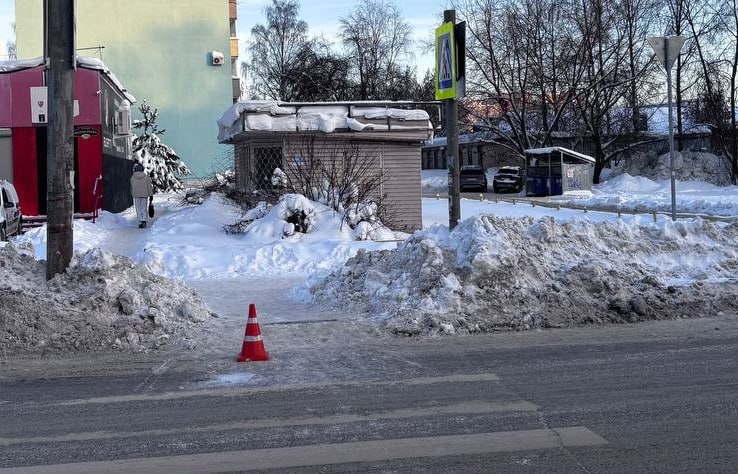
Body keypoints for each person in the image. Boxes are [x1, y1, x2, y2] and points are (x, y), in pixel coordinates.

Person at [130, 163, 154, 228]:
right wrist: (151, 195)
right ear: (142, 169)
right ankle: (144, 220)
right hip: (144, 195)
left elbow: (131, 186)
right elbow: (149, 187)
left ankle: (140, 220)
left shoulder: (132, 177)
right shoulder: (146, 177)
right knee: (143, 208)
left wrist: (132, 193)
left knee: (138, 208)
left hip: (136, 195)